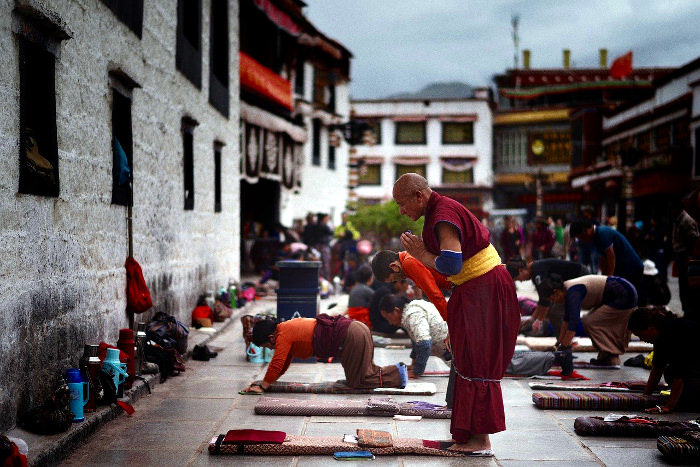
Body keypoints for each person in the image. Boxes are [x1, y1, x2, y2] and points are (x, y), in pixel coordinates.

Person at [392, 173, 520, 455]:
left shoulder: (443, 213)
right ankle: (467, 435)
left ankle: (480, 440)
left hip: (484, 288)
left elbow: (450, 264)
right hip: (473, 289)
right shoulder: (438, 211)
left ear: (418, 196)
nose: (402, 211)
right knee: (465, 360)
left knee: (477, 361)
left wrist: (421, 254)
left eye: (402, 204)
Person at [243, 315, 408, 393]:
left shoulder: (283, 335)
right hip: (356, 329)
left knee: (359, 381)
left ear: (271, 337)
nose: (271, 349)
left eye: (267, 346)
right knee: (364, 372)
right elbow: (283, 363)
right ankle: (397, 372)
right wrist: (268, 383)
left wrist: (262, 387)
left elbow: (277, 363)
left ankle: (398, 373)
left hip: (351, 335)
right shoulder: (285, 328)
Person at [544, 274, 638, 366]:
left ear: (556, 291)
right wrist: (558, 344)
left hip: (625, 294)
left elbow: (574, 322)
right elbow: (566, 320)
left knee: (589, 322)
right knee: (592, 320)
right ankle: (607, 355)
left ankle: (610, 355)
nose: (553, 302)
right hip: (622, 292)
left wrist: (563, 347)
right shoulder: (567, 290)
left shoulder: (573, 292)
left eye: (551, 299)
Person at [628, 307, 700, 413]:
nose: (642, 339)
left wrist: (669, 407)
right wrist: (645, 397)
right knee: (669, 373)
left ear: (651, 327)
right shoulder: (661, 334)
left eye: (641, 335)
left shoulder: (676, 333)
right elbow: (657, 368)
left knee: (678, 379)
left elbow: (680, 375)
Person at [569, 219, 647, 306]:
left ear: (585, 231)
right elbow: (604, 258)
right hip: (624, 268)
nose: (582, 240)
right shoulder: (596, 237)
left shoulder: (602, 234)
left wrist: (609, 278)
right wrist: (604, 279)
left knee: (632, 298)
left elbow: (611, 256)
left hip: (631, 268)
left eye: (580, 237)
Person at [506, 257, 589, 336]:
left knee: (556, 312)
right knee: (554, 311)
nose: (521, 281)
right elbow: (542, 299)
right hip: (570, 283)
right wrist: (533, 318)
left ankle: (565, 344)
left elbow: (545, 300)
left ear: (521, 271)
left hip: (581, 277)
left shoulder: (537, 272)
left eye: (518, 279)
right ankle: (562, 343)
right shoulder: (535, 272)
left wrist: (539, 320)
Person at [371, 249, 452, 318]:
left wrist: (450, 319)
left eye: (394, 279)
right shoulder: (407, 258)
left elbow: (434, 294)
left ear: (394, 266)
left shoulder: (408, 263)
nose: (397, 281)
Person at [669, 197, 700, 320]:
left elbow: (692, 239)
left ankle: (689, 313)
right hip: (681, 256)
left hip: (686, 257)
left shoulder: (686, 220)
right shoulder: (678, 219)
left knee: (688, 287)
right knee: (683, 287)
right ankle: (687, 311)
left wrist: (688, 256)